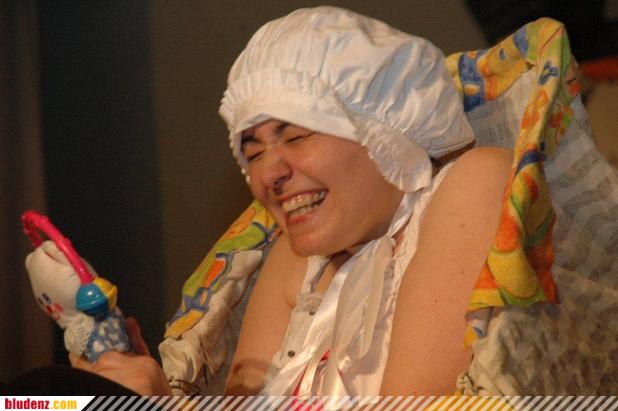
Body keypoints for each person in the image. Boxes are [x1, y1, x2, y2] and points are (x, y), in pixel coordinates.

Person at [67, 6, 512, 396]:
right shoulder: (298, 260)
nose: (267, 175)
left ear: (386, 130)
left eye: (297, 136)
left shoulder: (472, 180)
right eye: (252, 152)